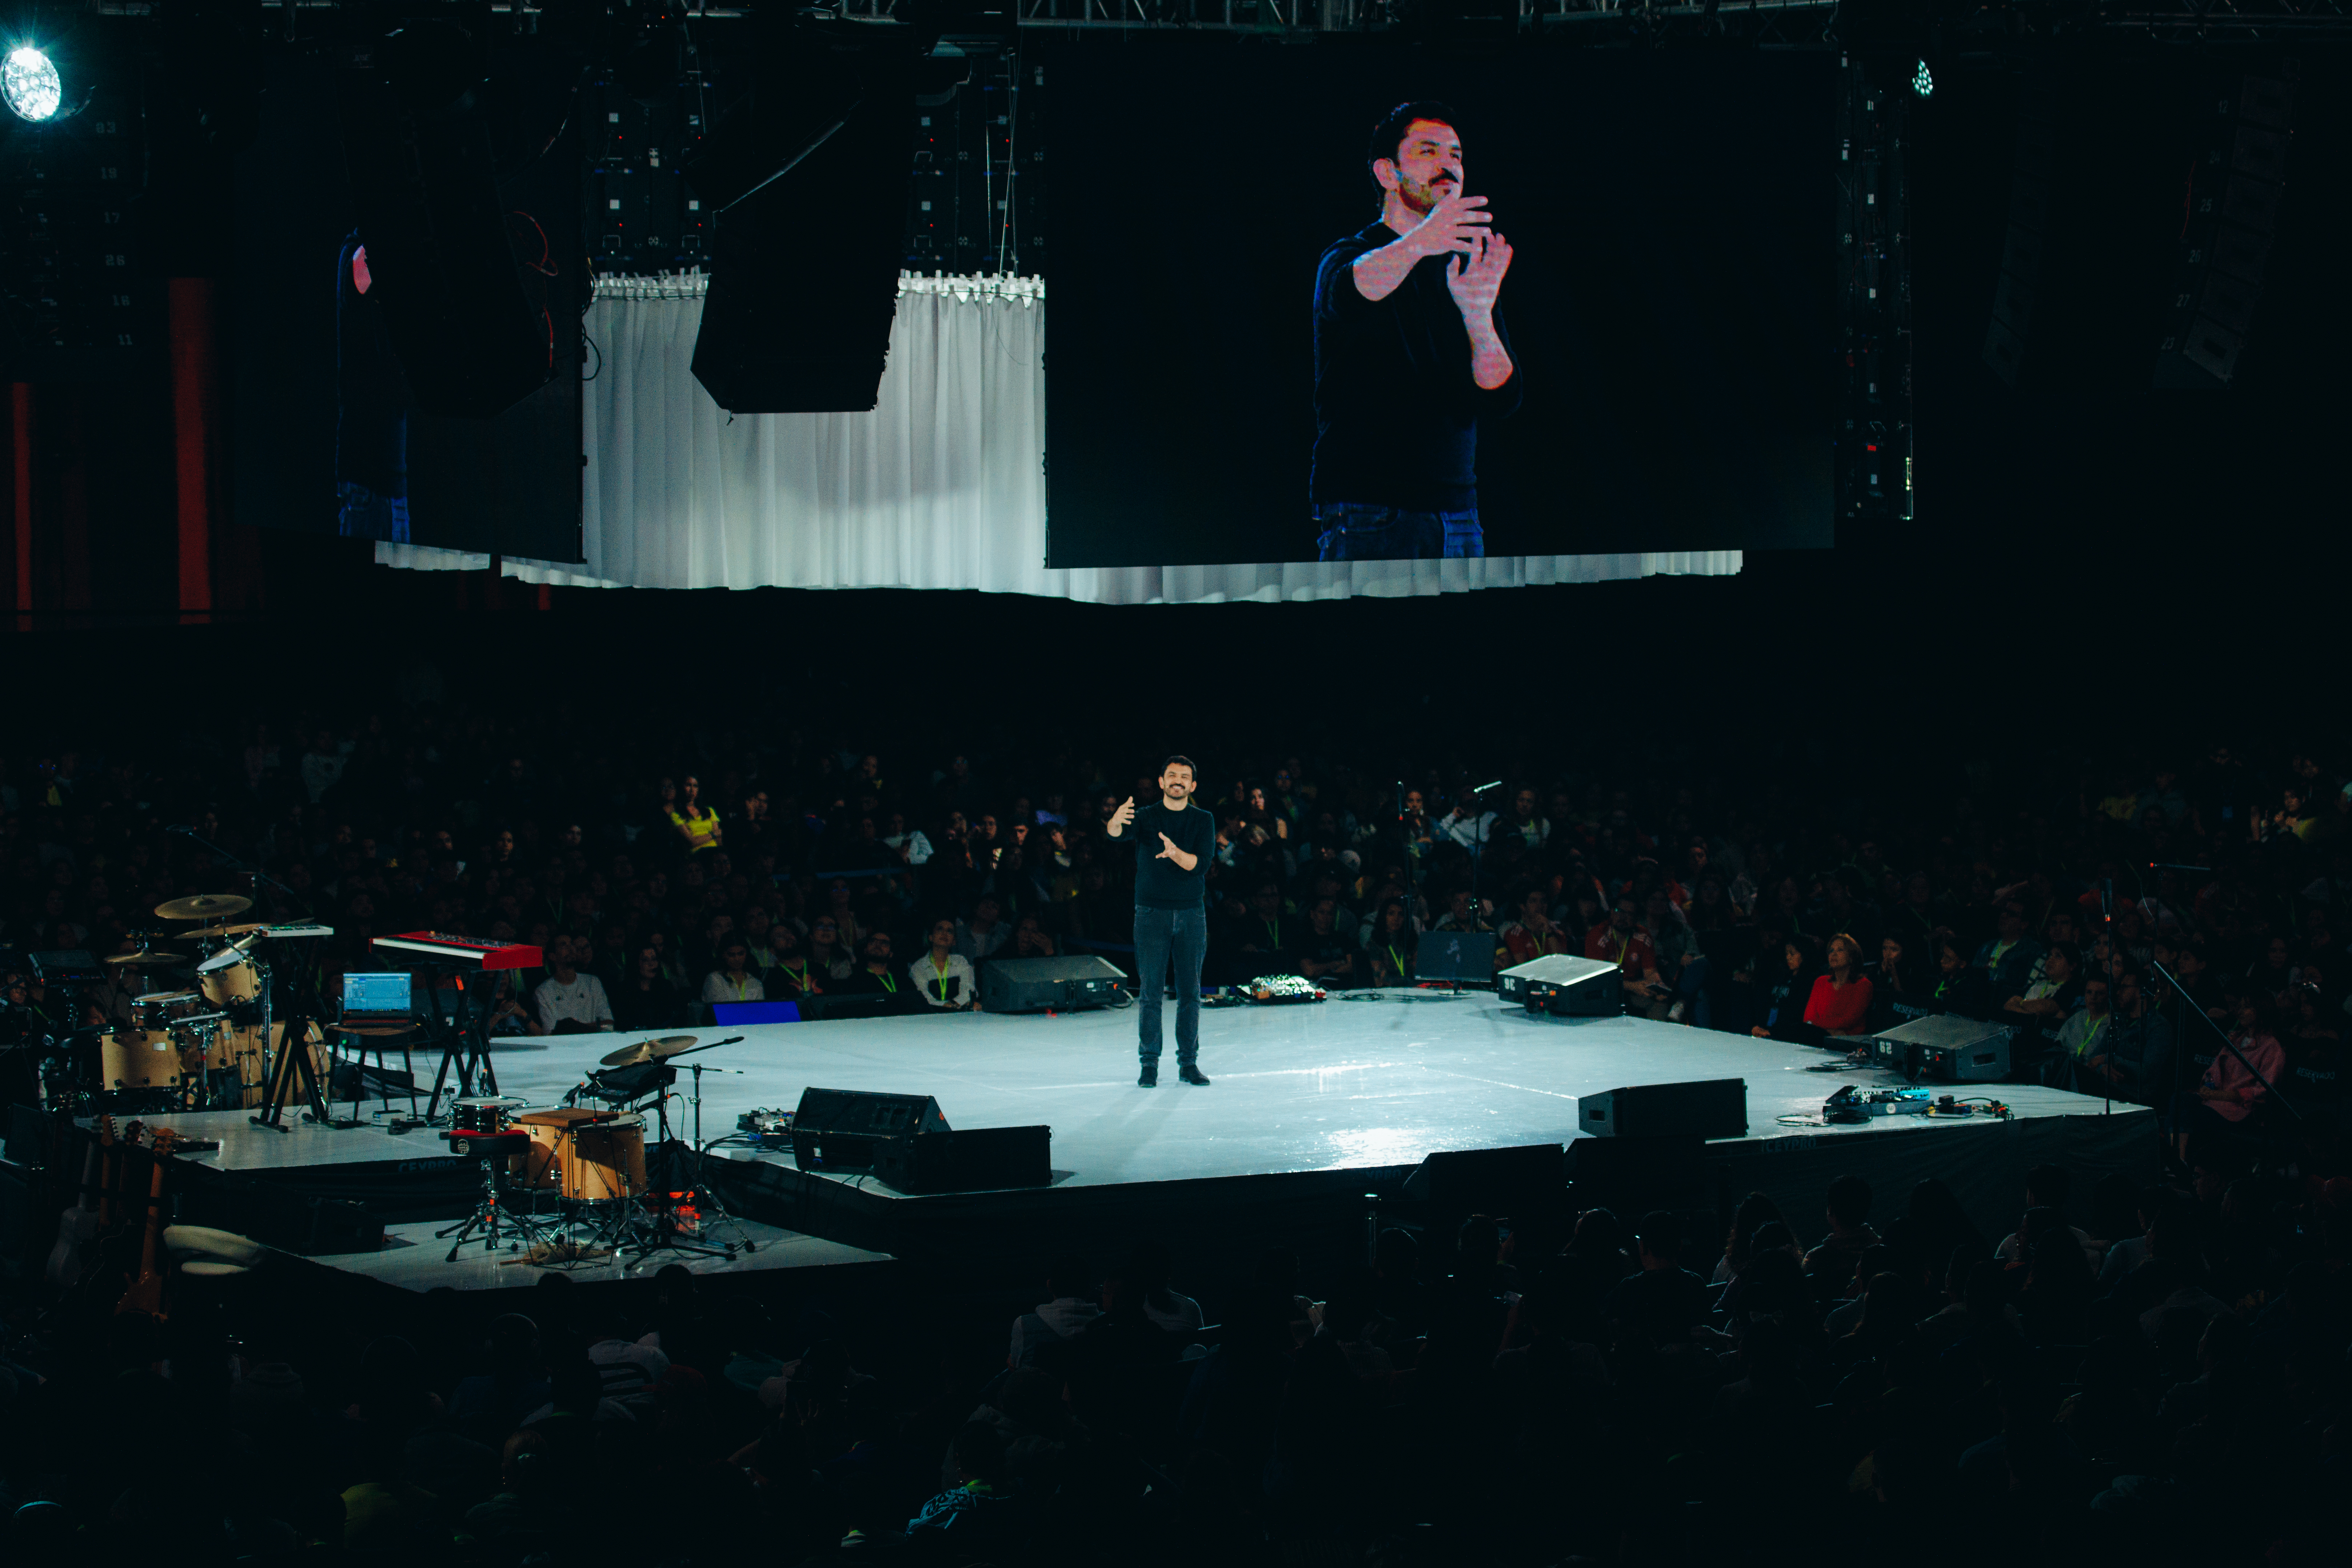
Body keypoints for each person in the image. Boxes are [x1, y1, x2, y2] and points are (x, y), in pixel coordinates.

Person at [1309, 101, 1520, 561]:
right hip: (1371, 513)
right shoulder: (1350, 255)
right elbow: (1353, 291)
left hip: (1458, 514)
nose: (1449, 166)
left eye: (1456, 155)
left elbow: (1501, 397)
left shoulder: (1465, 271)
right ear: (1387, 173)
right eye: (1429, 151)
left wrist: (1479, 320)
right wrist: (1421, 241)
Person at [1109, 757, 1217, 1088]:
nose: (1178, 780)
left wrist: (1175, 854)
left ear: (1193, 786)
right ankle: (1149, 1065)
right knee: (1151, 992)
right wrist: (1114, 821)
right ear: (1161, 782)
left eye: (1185, 777)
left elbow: (1200, 864)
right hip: (1151, 913)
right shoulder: (1145, 816)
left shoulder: (1203, 820)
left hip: (1190, 913)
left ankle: (1188, 1064)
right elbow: (1116, 836)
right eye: (1172, 775)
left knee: (1190, 992)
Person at [531, 935, 615, 1034]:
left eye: (571, 944)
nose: (571, 948)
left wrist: (573, 1028)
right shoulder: (543, 992)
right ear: (552, 956)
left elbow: (609, 1024)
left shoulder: (593, 982)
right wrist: (592, 1027)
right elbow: (551, 1032)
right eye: (563, 945)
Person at [1803, 933, 1875, 1040]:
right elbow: (1808, 1019)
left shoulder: (1864, 985)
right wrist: (1828, 1031)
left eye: (1840, 950)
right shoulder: (1821, 982)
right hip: (1820, 1038)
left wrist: (1817, 1025)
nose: (1834, 954)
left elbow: (1848, 1021)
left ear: (1852, 957)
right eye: (1831, 951)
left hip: (1850, 1043)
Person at [610, 943, 686, 1032]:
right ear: (636, 963)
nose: (652, 964)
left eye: (654, 959)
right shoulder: (624, 991)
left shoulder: (666, 987)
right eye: (646, 960)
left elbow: (675, 1017)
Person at [912, 917, 978, 1010]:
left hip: (959, 1013)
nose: (945, 934)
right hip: (931, 1015)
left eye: (950, 931)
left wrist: (953, 1004)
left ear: (954, 942)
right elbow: (923, 996)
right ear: (931, 937)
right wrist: (945, 1006)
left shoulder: (961, 961)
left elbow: (968, 989)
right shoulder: (919, 967)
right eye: (940, 929)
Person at [1365, 896, 1419, 986]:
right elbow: (1379, 976)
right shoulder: (1376, 941)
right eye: (1391, 914)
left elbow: (1419, 971)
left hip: (1412, 990)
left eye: (1401, 914)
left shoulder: (1411, 939)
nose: (1396, 918)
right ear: (1384, 916)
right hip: (1386, 992)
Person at [700, 935, 764, 1010]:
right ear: (723, 955)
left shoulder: (755, 983)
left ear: (746, 953)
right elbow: (720, 1010)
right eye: (732, 955)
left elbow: (759, 1012)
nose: (737, 959)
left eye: (741, 954)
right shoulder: (715, 979)